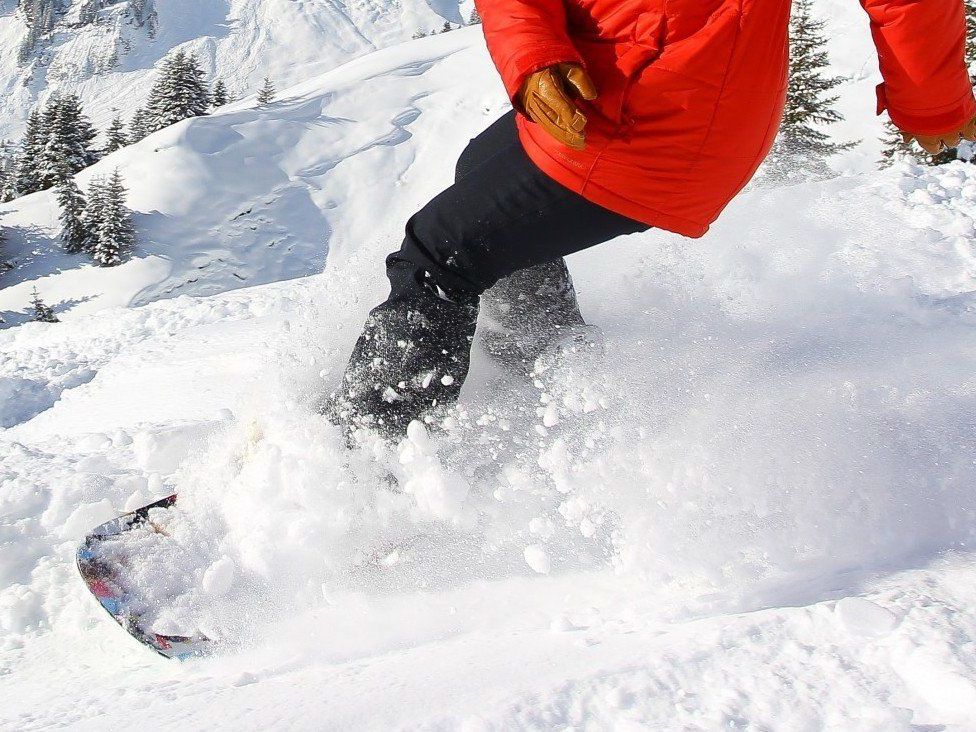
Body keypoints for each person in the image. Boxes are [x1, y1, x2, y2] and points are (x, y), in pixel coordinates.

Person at [329, 0, 976, 441]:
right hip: (607, 82)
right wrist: (533, 58)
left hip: (675, 112)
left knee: (441, 253)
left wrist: (932, 101)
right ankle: (547, 372)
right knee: (481, 172)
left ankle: (364, 470)